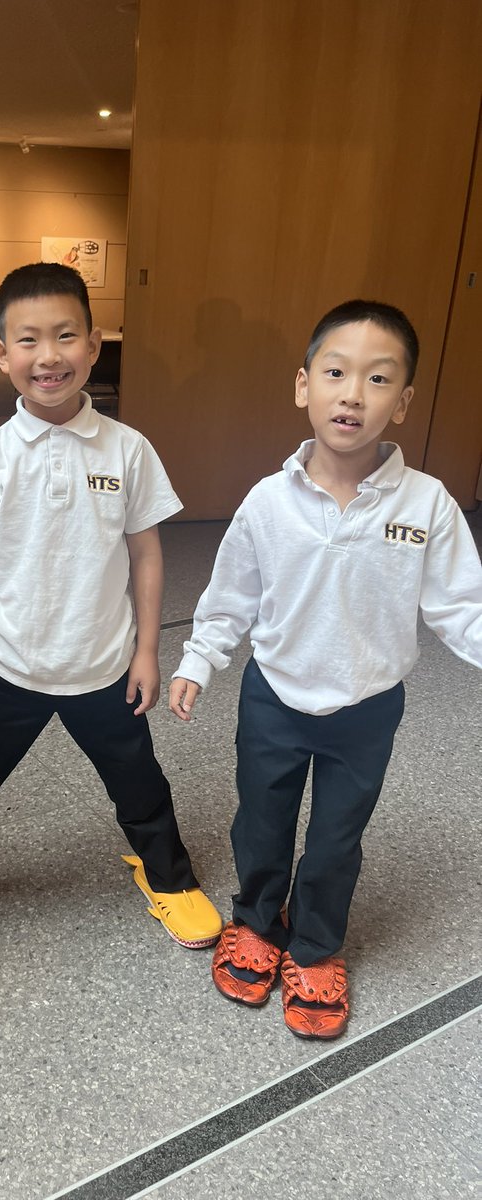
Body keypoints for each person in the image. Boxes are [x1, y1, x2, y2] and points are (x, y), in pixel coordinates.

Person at [0, 262, 221, 956]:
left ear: (92, 345)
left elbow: (146, 556)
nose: (48, 356)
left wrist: (147, 651)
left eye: (65, 337)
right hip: (9, 666)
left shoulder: (129, 449)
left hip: (104, 668)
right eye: (28, 340)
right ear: (2, 355)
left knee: (141, 787)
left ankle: (169, 878)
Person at [169, 299, 482, 1039]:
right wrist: (198, 660)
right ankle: (255, 920)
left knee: (338, 837)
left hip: (368, 708)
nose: (353, 394)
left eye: (378, 380)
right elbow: (229, 598)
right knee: (263, 822)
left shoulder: (426, 504)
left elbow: (460, 606)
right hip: (272, 697)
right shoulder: (268, 502)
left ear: (401, 403)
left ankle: (315, 946)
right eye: (336, 373)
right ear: (303, 386)